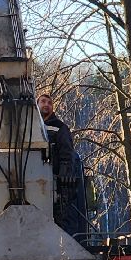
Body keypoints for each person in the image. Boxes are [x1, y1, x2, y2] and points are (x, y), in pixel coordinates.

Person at [38, 93, 81, 236]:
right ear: (36, 105)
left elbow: (67, 153)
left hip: (55, 183)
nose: (46, 105)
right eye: (43, 101)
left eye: (49, 103)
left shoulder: (60, 127)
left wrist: (64, 175)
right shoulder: (30, 127)